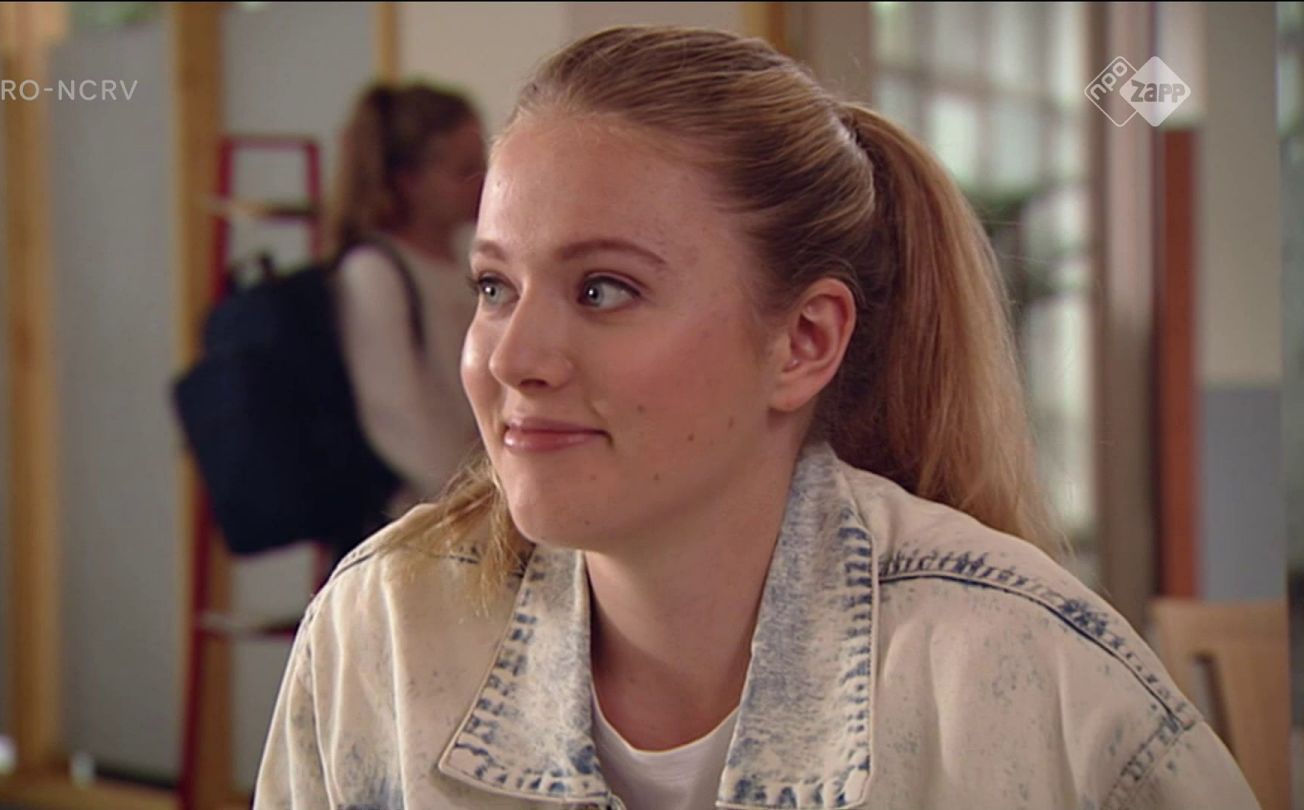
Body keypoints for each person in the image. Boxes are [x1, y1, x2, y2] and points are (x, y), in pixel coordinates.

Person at [256, 26, 1260, 810]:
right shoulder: (382, 633)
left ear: (804, 342)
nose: (513, 358)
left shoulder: (1036, 681)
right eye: (494, 287)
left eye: (603, 290)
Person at [328, 81, 487, 514]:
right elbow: (397, 416)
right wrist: (465, 495)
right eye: (464, 170)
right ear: (409, 181)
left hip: (484, 491)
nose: (484, 181)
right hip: (426, 510)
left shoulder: (468, 255)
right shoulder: (375, 273)